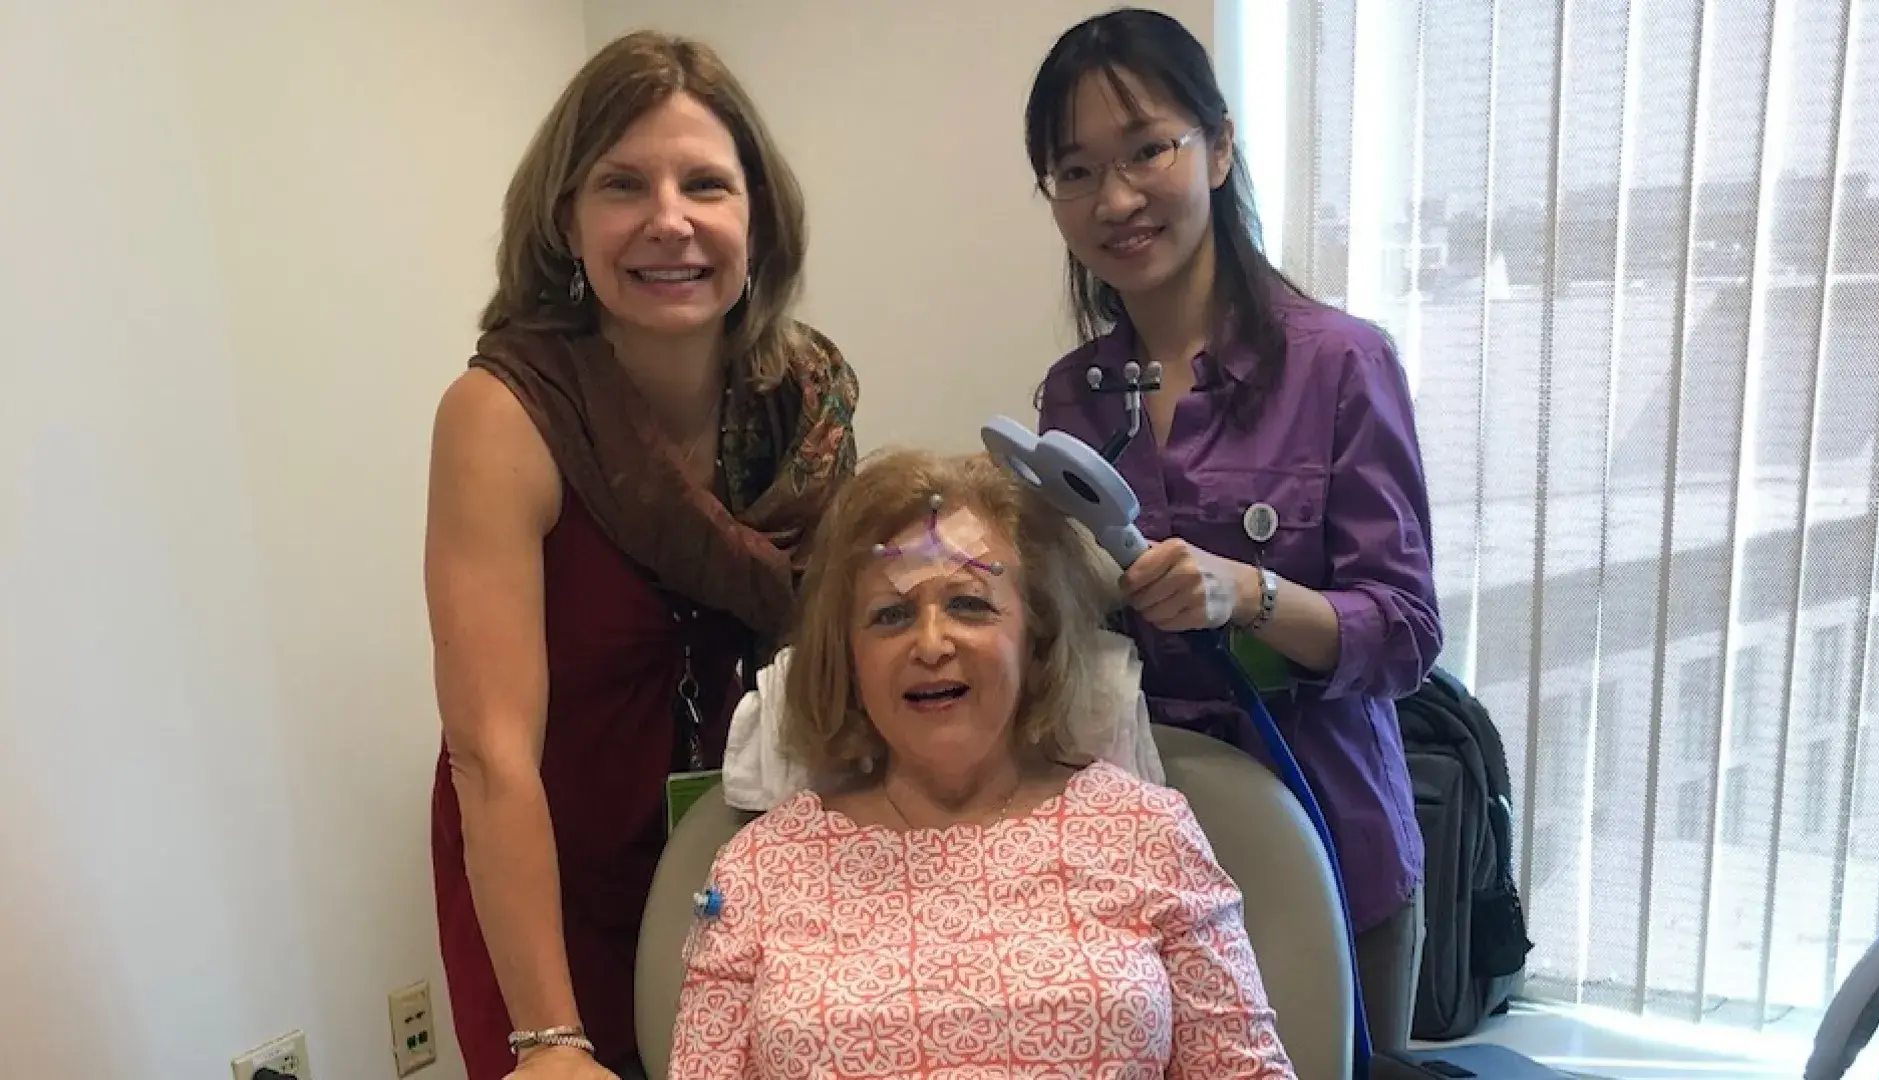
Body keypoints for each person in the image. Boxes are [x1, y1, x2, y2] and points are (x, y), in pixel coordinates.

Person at [424, 30, 858, 1080]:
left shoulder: (813, 403)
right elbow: (490, 752)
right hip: (545, 870)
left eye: (705, 183)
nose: (670, 221)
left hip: (739, 846)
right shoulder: (505, 414)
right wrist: (548, 1036)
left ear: (757, 215)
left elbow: (834, 652)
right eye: (623, 184)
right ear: (568, 219)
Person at [1025, 7, 1443, 1052]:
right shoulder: (1074, 399)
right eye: (1075, 171)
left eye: (1146, 151)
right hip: (1137, 875)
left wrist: (1247, 592)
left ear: (1217, 148)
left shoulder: (1341, 364)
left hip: (1326, 854)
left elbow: (1405, 632)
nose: (1115, 198)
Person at [670, 450, 1296, 1079]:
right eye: (891, 615)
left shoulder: (1147, 833)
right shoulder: (763, 866)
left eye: (970, 606)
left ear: (1036, 637)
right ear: (848, 658)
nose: (932, 644)